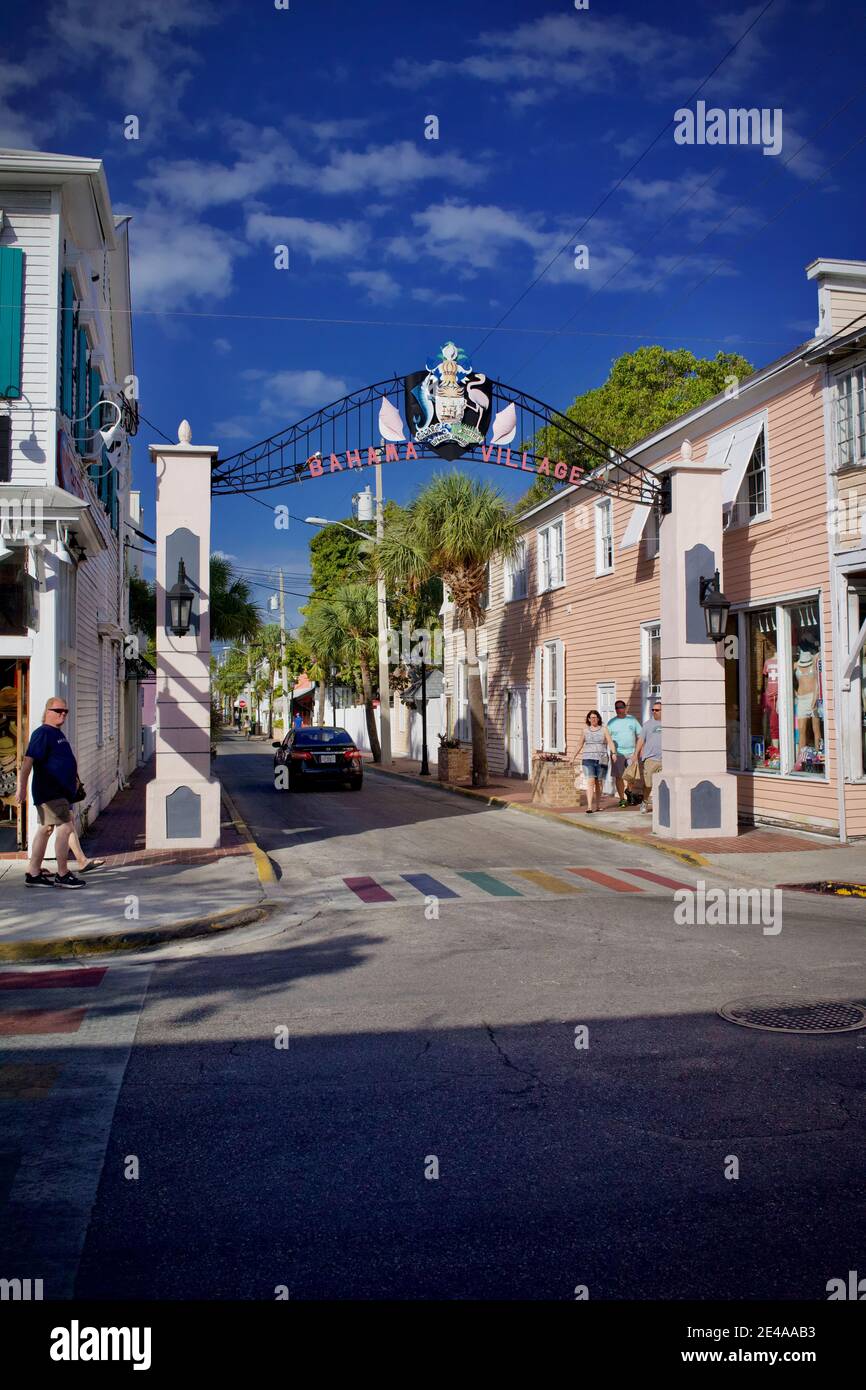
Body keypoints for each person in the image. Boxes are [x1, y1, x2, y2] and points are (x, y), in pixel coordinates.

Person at [16, 696, 86, 887]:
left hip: (60, 791)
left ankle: (33, 872)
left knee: (46, 829)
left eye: (65, 711)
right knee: (65, 827)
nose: (62, 714)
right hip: (50, 791)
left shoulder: (57, 733)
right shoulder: (43, 733)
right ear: (47, 712)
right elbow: (27, 762)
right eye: (58, 711)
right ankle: (62, 874)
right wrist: (21, 788)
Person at [572, 709, 617, 814]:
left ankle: (597, 805)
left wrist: (614, 753)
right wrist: (573, 756)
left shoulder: (604, 729)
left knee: (599, 783)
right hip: (588, 759)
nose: (593, 719)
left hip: (602, 759)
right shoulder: (585, 731)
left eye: (595, 717)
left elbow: (610, 742)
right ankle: (589, 806)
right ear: (588, 719)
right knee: (591, 781)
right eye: (591, 717)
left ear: (598, 719)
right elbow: (579, 744)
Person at [607, 699, 643, 808]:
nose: (619, 709)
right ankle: (622, 799)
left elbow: (640, 736)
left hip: (631, 753)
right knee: (619, 777)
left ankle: (629, 790)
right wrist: (611, 752)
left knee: (631, 776)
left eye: (620, 707)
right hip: (617, 754)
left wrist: (640, 751)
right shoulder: (611, 722)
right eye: (617, 708)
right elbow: (607, 738)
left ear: (625, 708)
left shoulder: (632, 720)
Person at [631, 700, 663, 815]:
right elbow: (641, 740)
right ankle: (644, 802)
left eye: (657, 710)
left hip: (665, 760)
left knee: (663, 784)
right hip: (650, 759)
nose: (654, 712)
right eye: (653, 710)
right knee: (648, 784)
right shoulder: (648, 724)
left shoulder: (670, 724)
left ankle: (661, 804)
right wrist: (635, 754)